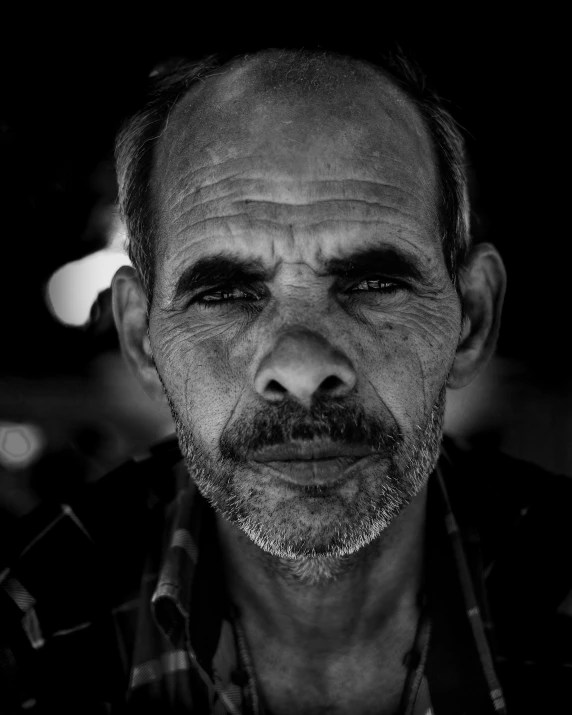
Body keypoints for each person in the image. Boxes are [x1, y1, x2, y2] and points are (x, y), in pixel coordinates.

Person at [2, 47, 571, 715]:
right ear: (142, 341)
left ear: (471, 321)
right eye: (225, 292)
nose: (301, 371)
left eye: (375, 282)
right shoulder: (29, 627)